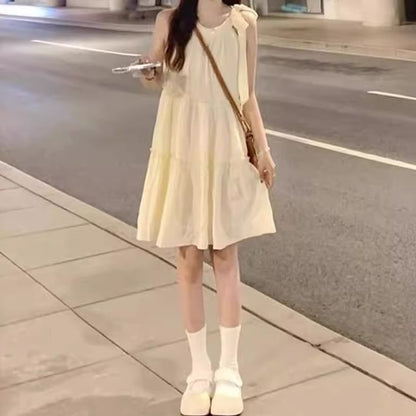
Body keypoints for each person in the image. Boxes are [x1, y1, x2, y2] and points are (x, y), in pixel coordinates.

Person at [135, 1, 277, 415]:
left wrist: (263, 151)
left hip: (224, 150)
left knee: (226, 255)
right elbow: (156, 77)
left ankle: (229, 371)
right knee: (188, 258)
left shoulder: (244, 24)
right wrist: (148, 71)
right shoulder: (169, 22)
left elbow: (247, 96)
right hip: (181, 147)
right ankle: (198, 372)